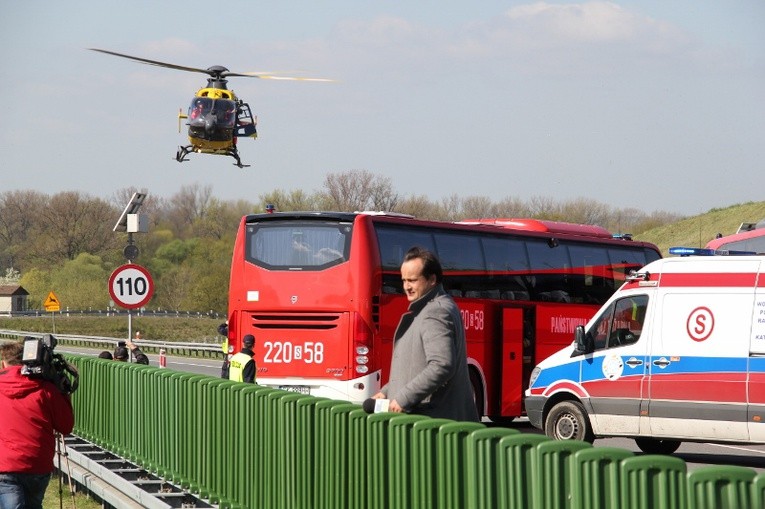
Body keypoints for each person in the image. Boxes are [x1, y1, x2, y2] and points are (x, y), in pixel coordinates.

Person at [372, 247, 479, 421]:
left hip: (434, 424)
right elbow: (413, 370)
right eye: (404, 280)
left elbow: (441, 365)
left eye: (412, 280)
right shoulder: (430, 308)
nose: (406, 287)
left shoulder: (435, 312)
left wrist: (404, 397)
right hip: (430, 421)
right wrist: (387, 392)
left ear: (432, 280)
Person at [0, 341, 75, 509]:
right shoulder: (46, 389)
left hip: (4, 465)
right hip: (37, 464)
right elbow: (66, 426)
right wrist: (63, 393)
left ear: (3, 362)